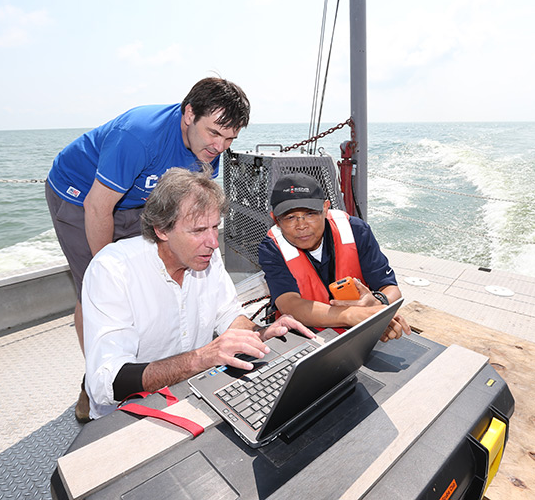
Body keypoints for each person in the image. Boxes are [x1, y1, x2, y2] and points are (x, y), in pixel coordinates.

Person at [45, 77, 249, 421]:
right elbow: (98, 207)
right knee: (92, 286)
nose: (220, 146)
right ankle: (91, 380)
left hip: (139, 199)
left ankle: (154, 368)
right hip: (80, 196)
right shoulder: (138, 136)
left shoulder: (208, 151)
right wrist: (109, 275)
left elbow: (195, 209)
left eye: (230, 139)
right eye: (214, 133)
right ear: (189, 115)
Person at [82, 168, 314, 420]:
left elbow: (228, 315)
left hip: (192, 394)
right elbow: (105, 384)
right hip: (129, 413)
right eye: (198, 230)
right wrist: (200, 359)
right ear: (161, 229)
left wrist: (261, 333)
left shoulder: (206, 257)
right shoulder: (112, 269)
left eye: (215, 227)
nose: (213, 242)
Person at [257, 173, 411, 341]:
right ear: (275, 220)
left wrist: (378, 304)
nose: (301, 225)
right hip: (303, 332)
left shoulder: (356, 230)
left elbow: (391, 288)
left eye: (310, 214)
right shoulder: (271, 248)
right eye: (290, 217)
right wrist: (350, 315)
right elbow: (289, 305)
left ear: (325, 208)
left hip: (359, 325)